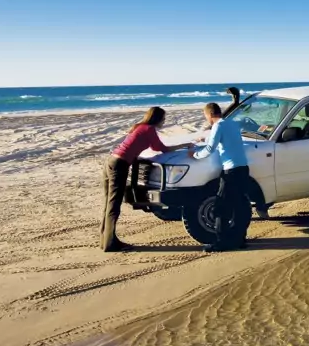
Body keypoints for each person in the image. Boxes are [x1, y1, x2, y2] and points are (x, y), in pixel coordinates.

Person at [102, 107, 193, 252]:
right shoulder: (149, 129)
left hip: (111, 160)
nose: (164, 122)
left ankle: (106, 240)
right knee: (114, 204)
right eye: (164, 119)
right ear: (158, 119)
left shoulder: (140, 127)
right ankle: (110, 244)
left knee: (109, 203)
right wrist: (185, 145)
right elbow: (162, 148)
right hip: (120, 164)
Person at [194, 102, 251, 252]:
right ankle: (240, 239)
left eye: (206, 116)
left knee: (221, 206)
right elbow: (226, 141)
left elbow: (210, 149)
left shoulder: (217, 126)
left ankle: (221, 242)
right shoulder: (232, 123)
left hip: (231, 171)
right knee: (239, 206)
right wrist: (205, 140)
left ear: (209, 115)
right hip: (243, 168)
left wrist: (195, 155)